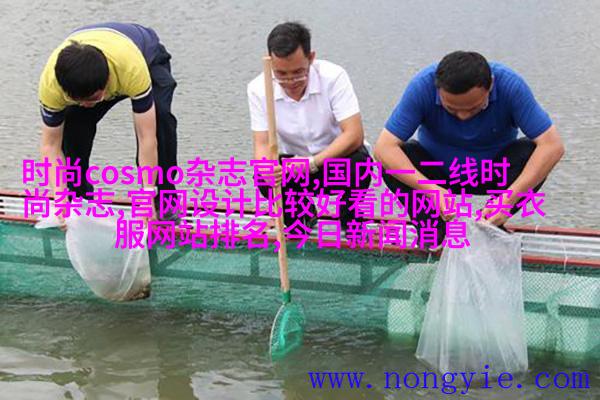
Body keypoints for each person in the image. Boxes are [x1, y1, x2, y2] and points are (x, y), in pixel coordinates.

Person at [374, 50, 565, 249]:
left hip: (492, 174)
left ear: (490, 85)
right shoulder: (422, 86)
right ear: (437, 90)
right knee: (393, 158)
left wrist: (508, 200)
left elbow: (553, 145)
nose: (463, 116)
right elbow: (383, 147)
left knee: (533, 152)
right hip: (438, 175)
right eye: (451, 109)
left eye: (474, 108)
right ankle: (432, 227)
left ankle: (492, 222)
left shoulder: (510, 86)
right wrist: (431, 190)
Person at [38, 22, 179, 225]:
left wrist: (147, 194)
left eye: (94, 99)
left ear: (107, 84)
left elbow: (146, 136)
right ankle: (79, 201)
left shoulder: (130, 70)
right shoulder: (51, 86)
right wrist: (60, 198)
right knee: (73, 126)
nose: (87, 105)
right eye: (79, 100)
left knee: (160, 120)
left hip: (147, 57)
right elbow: (50, 145)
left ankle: (163, 202)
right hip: (85, 74)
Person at [247, 21, 371, 231]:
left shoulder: (333, 77)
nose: (290, 82)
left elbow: (354, 134)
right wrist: (267, 169)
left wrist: (312, 163)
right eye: (281, 74)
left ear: (311, 58)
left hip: (334, 163)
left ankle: (350, 219)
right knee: (263, 175)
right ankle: (303, 215)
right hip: (293, 168)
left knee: (360, 165)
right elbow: (262, 143)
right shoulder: (258, 89)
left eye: (298, 72)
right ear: (269, 63)